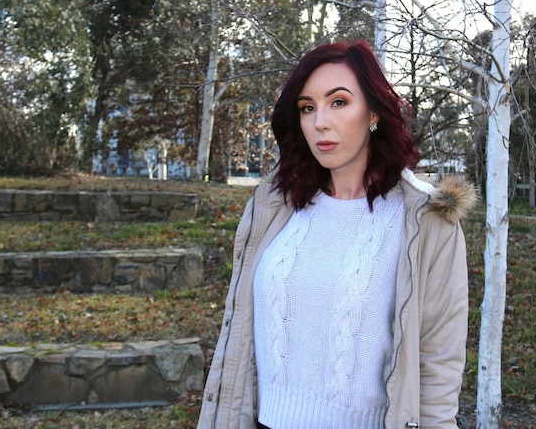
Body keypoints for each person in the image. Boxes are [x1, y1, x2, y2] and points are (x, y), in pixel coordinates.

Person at [196, 40, 475, 429]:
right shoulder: (273, 206)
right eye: (308, 108)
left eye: (339, 102)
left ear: (374, 111)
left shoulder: (426, 221)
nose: (320, 122)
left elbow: (439, 363)